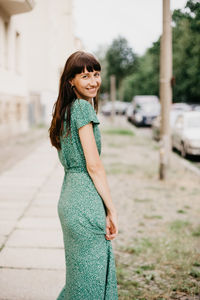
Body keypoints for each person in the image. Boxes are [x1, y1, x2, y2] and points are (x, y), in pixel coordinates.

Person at [49, 50, 118, 299]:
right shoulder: (81, 108)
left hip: (69, 199)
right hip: (85, 203)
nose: (93, 81)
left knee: (79, 281)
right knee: (89, 284)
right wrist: (112, 210)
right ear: (71, 81)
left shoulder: (64, 110)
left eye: (96, 74)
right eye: (85, 76)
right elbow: (94, 167)